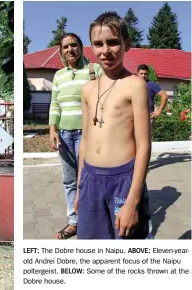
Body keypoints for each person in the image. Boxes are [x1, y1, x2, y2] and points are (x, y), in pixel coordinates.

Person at [75, 11, 153, 239]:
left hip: (123, 182)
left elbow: (144, 146)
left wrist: (132, 202)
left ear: (126, 44)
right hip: (90, 179)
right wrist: (80, 188)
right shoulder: (88, 90)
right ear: (91, 47)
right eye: (98, 44)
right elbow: (85, 141)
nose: (105, 50)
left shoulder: (135, 85)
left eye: (113, 42)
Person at [48, 32, 102, 239]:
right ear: (61, 51)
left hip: (86, 134)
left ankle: (94, 219)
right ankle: (75, 222)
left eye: (74, 45)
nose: (70, 50)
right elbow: (54, 104)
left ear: (80, 47)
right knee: (70, 181)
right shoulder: (58, 75)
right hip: (64, 135)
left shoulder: (94, 70)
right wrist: (53, 128)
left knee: (89, 178)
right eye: (65, 47)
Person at [136, 64, 169, 128]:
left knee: (145, 137)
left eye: (145, 74)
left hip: (148, 117)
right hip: (135, 116)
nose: (143, 76)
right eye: (141, 73)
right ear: (137, 73)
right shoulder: (134, 84)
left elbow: (165, 96)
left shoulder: (151, 84)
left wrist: (159, 111)